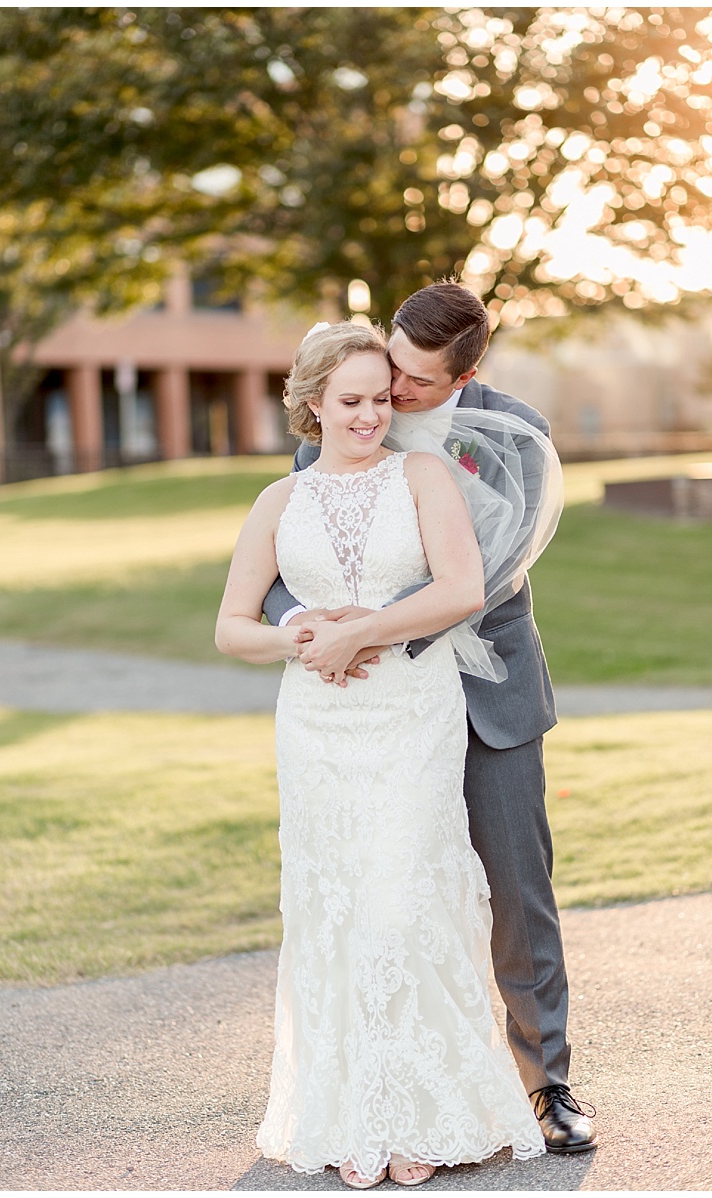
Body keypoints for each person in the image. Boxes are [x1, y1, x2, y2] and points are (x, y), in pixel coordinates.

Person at [261, 284, 596, 1154]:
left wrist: (371, 628)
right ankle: (384, 1091)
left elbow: (495, 562)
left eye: (412, 380)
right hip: (363, 706)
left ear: (466, 373)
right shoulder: (351, 410)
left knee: (520, 889)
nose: (391, 393)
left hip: (485, 693)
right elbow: (294, 551)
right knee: (380, 890)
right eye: (388, 366)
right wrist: (315, 629)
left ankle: (548, 1083)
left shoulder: (514, 432)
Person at [215, 322, 547, 1186]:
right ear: (314, 404)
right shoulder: (277, 503)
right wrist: (300, 639)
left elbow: (462, 588)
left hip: (412, 713)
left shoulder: (423, 474)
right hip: (318, 729)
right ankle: (353, 1117)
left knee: (405, 898)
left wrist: (361, 631)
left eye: (380, 399)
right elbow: (230, 627)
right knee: (337, 909)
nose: (373, 416)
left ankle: (424, 1114)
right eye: (353, 401)